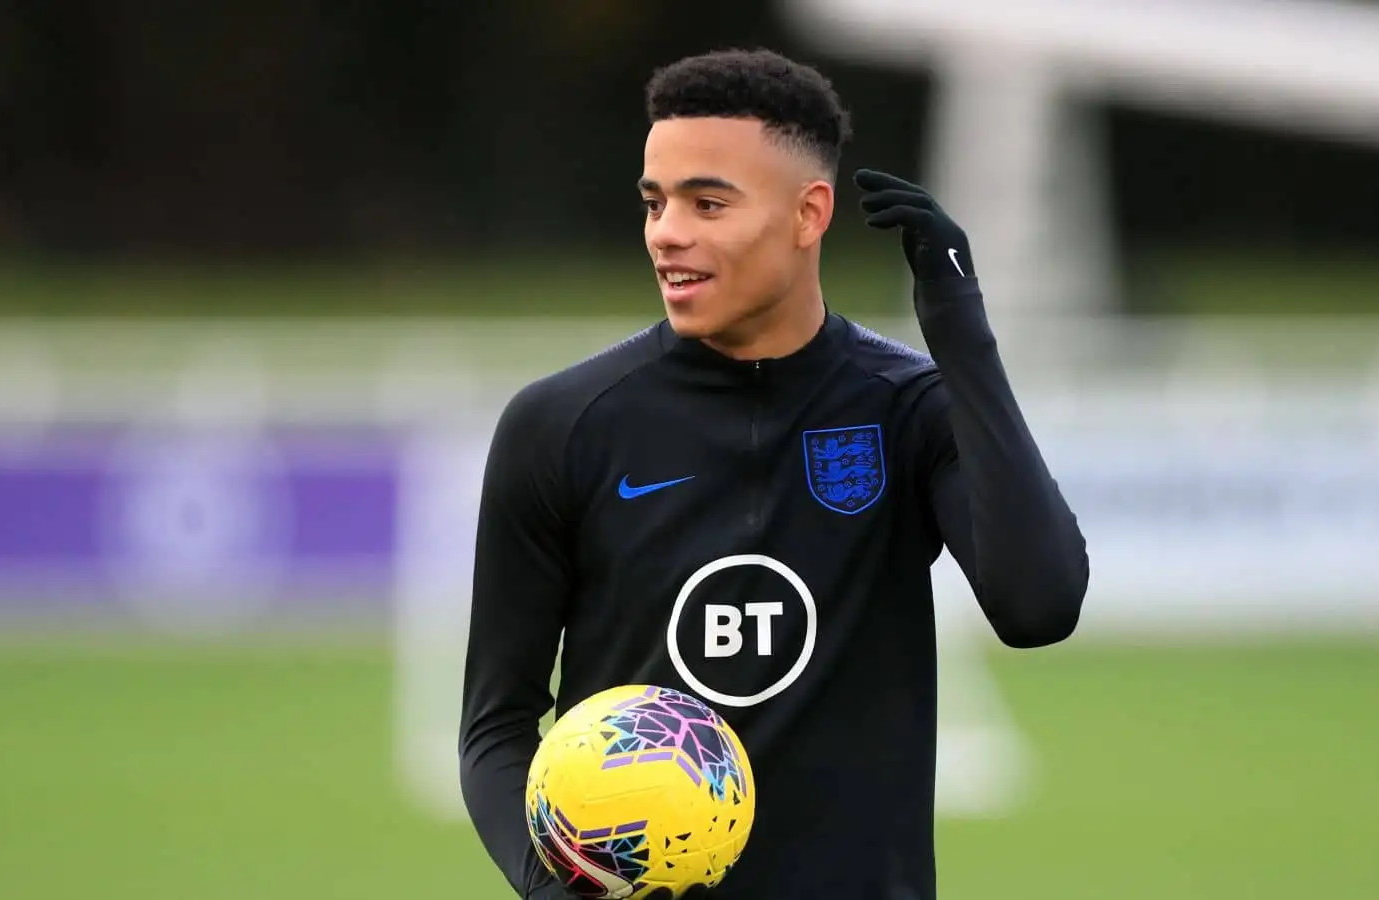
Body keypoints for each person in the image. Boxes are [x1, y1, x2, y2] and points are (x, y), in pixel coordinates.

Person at [459, 47, 1089, 900]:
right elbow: (496, 726)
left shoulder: (907, 410)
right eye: (655, 202)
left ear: (809, 213)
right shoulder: (561, 424)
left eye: (707, 202)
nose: (667, 232)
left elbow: (1038, 605)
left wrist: (961, 337)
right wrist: (555, 884)